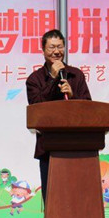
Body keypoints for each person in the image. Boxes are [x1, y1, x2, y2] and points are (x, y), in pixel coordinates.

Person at [25, 29, 91, 203]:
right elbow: (36, 110)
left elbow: (89, 109)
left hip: (77, 147)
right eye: (52, 47)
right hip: (49, 149)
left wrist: (73, 95)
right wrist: (53, 78)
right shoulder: (34, 80)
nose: (56, 51)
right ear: (43, 50)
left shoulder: (76, 75)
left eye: (60, 47)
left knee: (77, 200)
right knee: (53, 201)